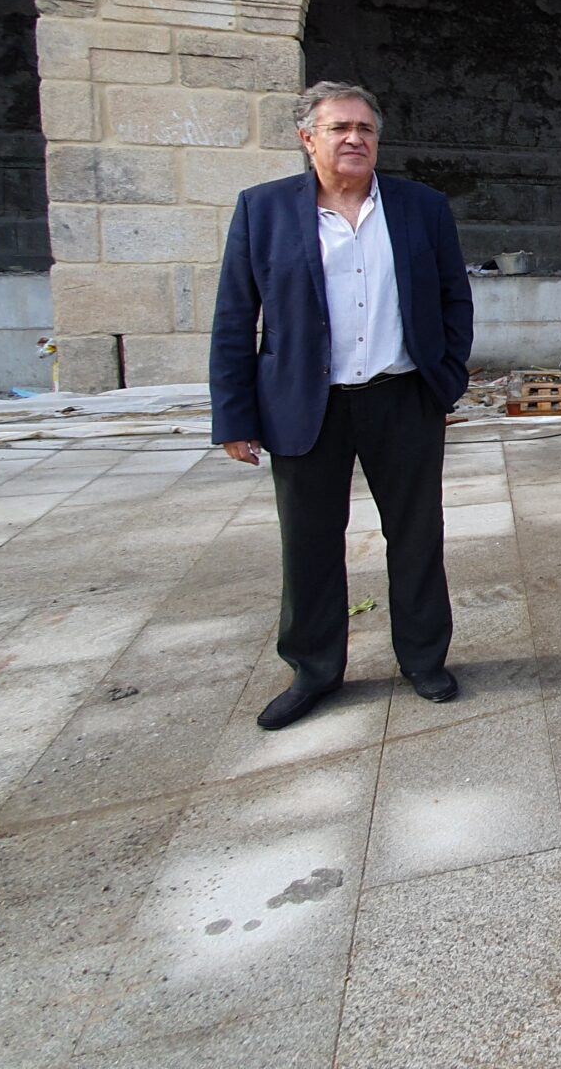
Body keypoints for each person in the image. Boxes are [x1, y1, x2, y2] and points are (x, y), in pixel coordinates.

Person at [209, 82, 475, 731]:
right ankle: (314, 670)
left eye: (365, 129)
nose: (354, 138)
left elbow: (454, 299)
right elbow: (235, 318)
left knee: (416, 537)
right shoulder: (263, 211)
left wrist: (446, 380)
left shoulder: (420, 208)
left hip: (402, 399)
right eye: (338, 129)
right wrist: (234, 417)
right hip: (306, 406)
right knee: (309, 544)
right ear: (308, 139)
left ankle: (423, 659)